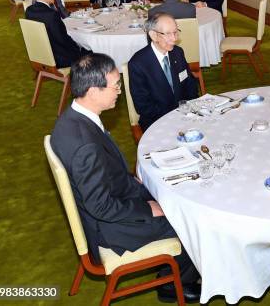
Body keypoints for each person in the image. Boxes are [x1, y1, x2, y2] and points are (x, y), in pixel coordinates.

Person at [50, 53, 201, 303]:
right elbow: (100, 207)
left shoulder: (71, 119)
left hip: (116, 196)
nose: (120, 91)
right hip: (109, 227)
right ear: (93, 91)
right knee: (189, 220)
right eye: (115, 85)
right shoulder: (84, 145)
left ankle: (172, 269)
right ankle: (173, 285)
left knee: (179, 189)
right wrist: (146, 209)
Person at [128, 12, 199, 131]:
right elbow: (143, 106)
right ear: (153, 35)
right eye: (168, 34)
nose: (174, 38)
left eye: (176, 32)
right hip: (157, 122)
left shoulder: (178, 53)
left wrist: (191, 109)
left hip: (185, 115)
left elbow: (190, 84)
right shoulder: (138, 64)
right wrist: (174, 116)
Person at [26, 0, 91, 67]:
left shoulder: (29, 11)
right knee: (91, 52)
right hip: (60, 59)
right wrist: (79, 47)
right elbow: (62, 40)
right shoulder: (51, 14)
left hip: (42, 56)